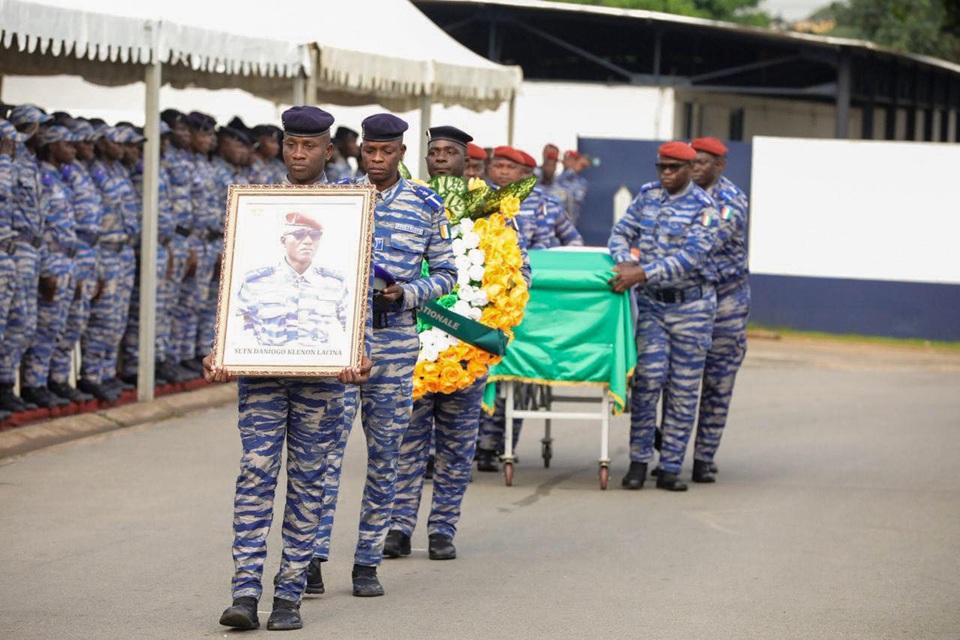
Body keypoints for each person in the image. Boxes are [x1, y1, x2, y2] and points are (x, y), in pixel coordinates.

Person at [208, 104, 374, 633]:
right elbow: (230, 286)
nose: (299, 154)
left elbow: (358, 291)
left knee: (308, 481)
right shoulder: (256, 207)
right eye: (291, 144)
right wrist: (219, 347)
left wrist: (359, 352)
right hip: (260, 375)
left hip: (324, 381)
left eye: (310, 146)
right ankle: (244, 592)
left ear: (329, 150)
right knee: (255, 472)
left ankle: (289, 595)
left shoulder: (350, 208)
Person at [308, 113, 456, 598]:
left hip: (394, 340)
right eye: (368, 151)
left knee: (386, 453)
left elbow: (448, 273)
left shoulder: (425, 204)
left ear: (401, 154)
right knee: (325, 453)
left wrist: (409, 293)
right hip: (342, 338)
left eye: (384, 152)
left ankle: (367, 560)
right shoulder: (341, 200)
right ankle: (309, 557)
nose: (375, 160)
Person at [384, 125, 528, 562]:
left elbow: (518, 275)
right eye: (435, 152)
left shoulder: (491, 214)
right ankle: (398, 526)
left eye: (450, 152)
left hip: (469, 346)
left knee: (456, 444)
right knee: (407, 444)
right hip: (415, 344)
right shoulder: (412, 205)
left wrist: (489, 325)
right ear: (425, 160)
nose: (441, 158)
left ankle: (443, 527)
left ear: (468, 162)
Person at [607, 141, 719, 492]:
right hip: (654, 306)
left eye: (674, 168)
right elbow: (621, 232)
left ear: (689, 169)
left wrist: (642, 273)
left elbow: (692, 258)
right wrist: (625, 259)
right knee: (647, 382)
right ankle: (639, 461)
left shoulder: (705, 207)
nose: (667, 173)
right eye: (662, 167)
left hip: (692, 308)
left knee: (684, 390)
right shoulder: (648, 196)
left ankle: (670, 466)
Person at [689, 137, 750, 483]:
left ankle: (703, 457)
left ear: (720, 165)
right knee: (671, 379)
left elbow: (707, 240)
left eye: (703, 161)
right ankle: (669, 451)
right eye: (691, 160)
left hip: (725, 301)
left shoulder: (731, 201)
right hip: (685, 298)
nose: (695, 166)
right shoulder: (673, 194)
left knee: (717, 380)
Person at [18, 124, 80, 409]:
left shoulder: (59, 177)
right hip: (51, 259)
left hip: (67, 259)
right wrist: (46, 269)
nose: (74, 149)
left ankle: (50, 381)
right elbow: (41, 226)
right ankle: (33, 384)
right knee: (43, 326)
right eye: (67, 143)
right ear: (53, 146)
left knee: (60, 327)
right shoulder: (42, 174)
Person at [47, 118, 103, 404]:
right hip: (58, 256)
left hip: (80, 255)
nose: (85, 147)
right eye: (70, 142)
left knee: (73, 322)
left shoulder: (74, 172)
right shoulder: (50, 174)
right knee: (48, 325)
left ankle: (57, 379)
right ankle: (40, 383)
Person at [234, 212, 349, 348]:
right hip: (267, 364)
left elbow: (353, 330)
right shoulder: (254, 283)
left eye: (315, 235)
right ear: (283, 241)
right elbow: (230, 328)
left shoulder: (334, 284)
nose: (308, 241)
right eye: (299, 234)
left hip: (317, 365)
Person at [0, 116, 34, 417]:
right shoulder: (7, 167)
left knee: (21, 325)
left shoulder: (21, 166)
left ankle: (7, 387)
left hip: (14, 254)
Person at [555, 150, 590, 224]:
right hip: (555, 219)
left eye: (570, 159)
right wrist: (572, 170)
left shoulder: (581, 182)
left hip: (571, 222)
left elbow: (577, 199)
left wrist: (573, 171)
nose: (566, 161)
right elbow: (555, 185)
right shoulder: (558, 178)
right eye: (565, 159)